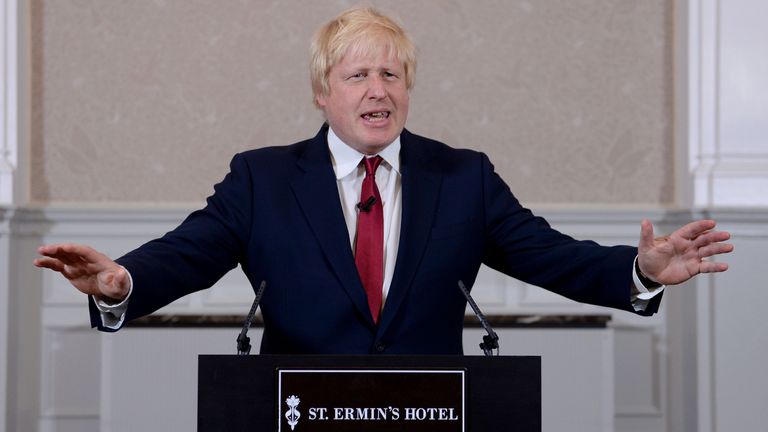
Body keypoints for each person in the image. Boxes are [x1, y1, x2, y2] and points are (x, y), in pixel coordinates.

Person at [34, 6, 732, 354]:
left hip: (433, 414)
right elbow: (189, 253)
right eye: (358, 74)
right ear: (322, 93)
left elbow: (548, 256)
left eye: (391, 74)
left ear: (408, 89)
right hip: (295, 413)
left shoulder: (463, 177)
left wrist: (639, 269)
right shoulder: (263, 180)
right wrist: (122, 282)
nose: (378, 89)